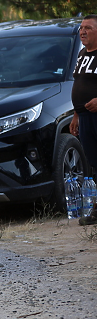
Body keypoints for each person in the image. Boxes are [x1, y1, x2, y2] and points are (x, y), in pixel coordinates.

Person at [72, 15, 97, 225]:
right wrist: (76, 115)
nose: (82, 31)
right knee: (94, 163)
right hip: (85, 117)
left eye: (88, 28)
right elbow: (79, 84)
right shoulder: (81, 54)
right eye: (81, 28)